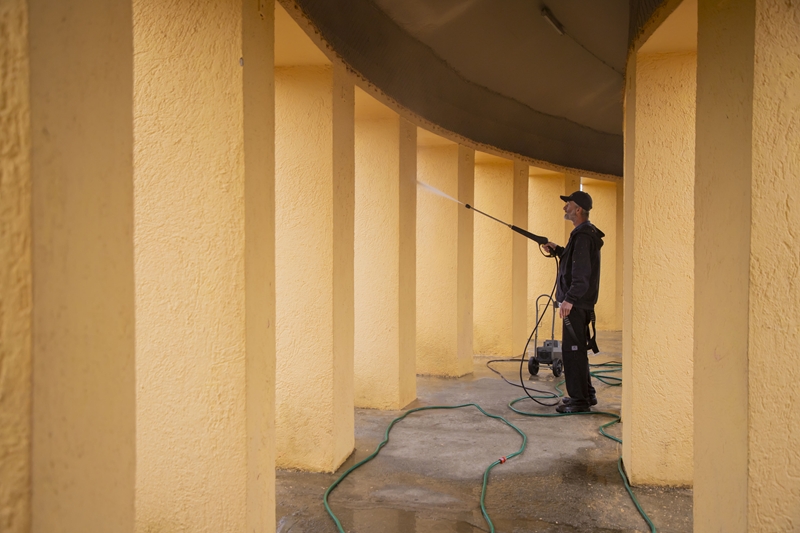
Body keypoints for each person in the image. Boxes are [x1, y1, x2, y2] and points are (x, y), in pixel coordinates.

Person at [542, 191, 604, 413]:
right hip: (580, 305)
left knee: (572, 352)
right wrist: (557, 250)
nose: (564, 208)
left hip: (576, 306)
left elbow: (581, 275)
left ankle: (579, 401)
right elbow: (575, 263)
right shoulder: (582, 235)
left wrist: (569, 300)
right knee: (577, 351)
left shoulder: (583, 236)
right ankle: (587, 395)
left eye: (567, 204)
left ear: (578, 209)